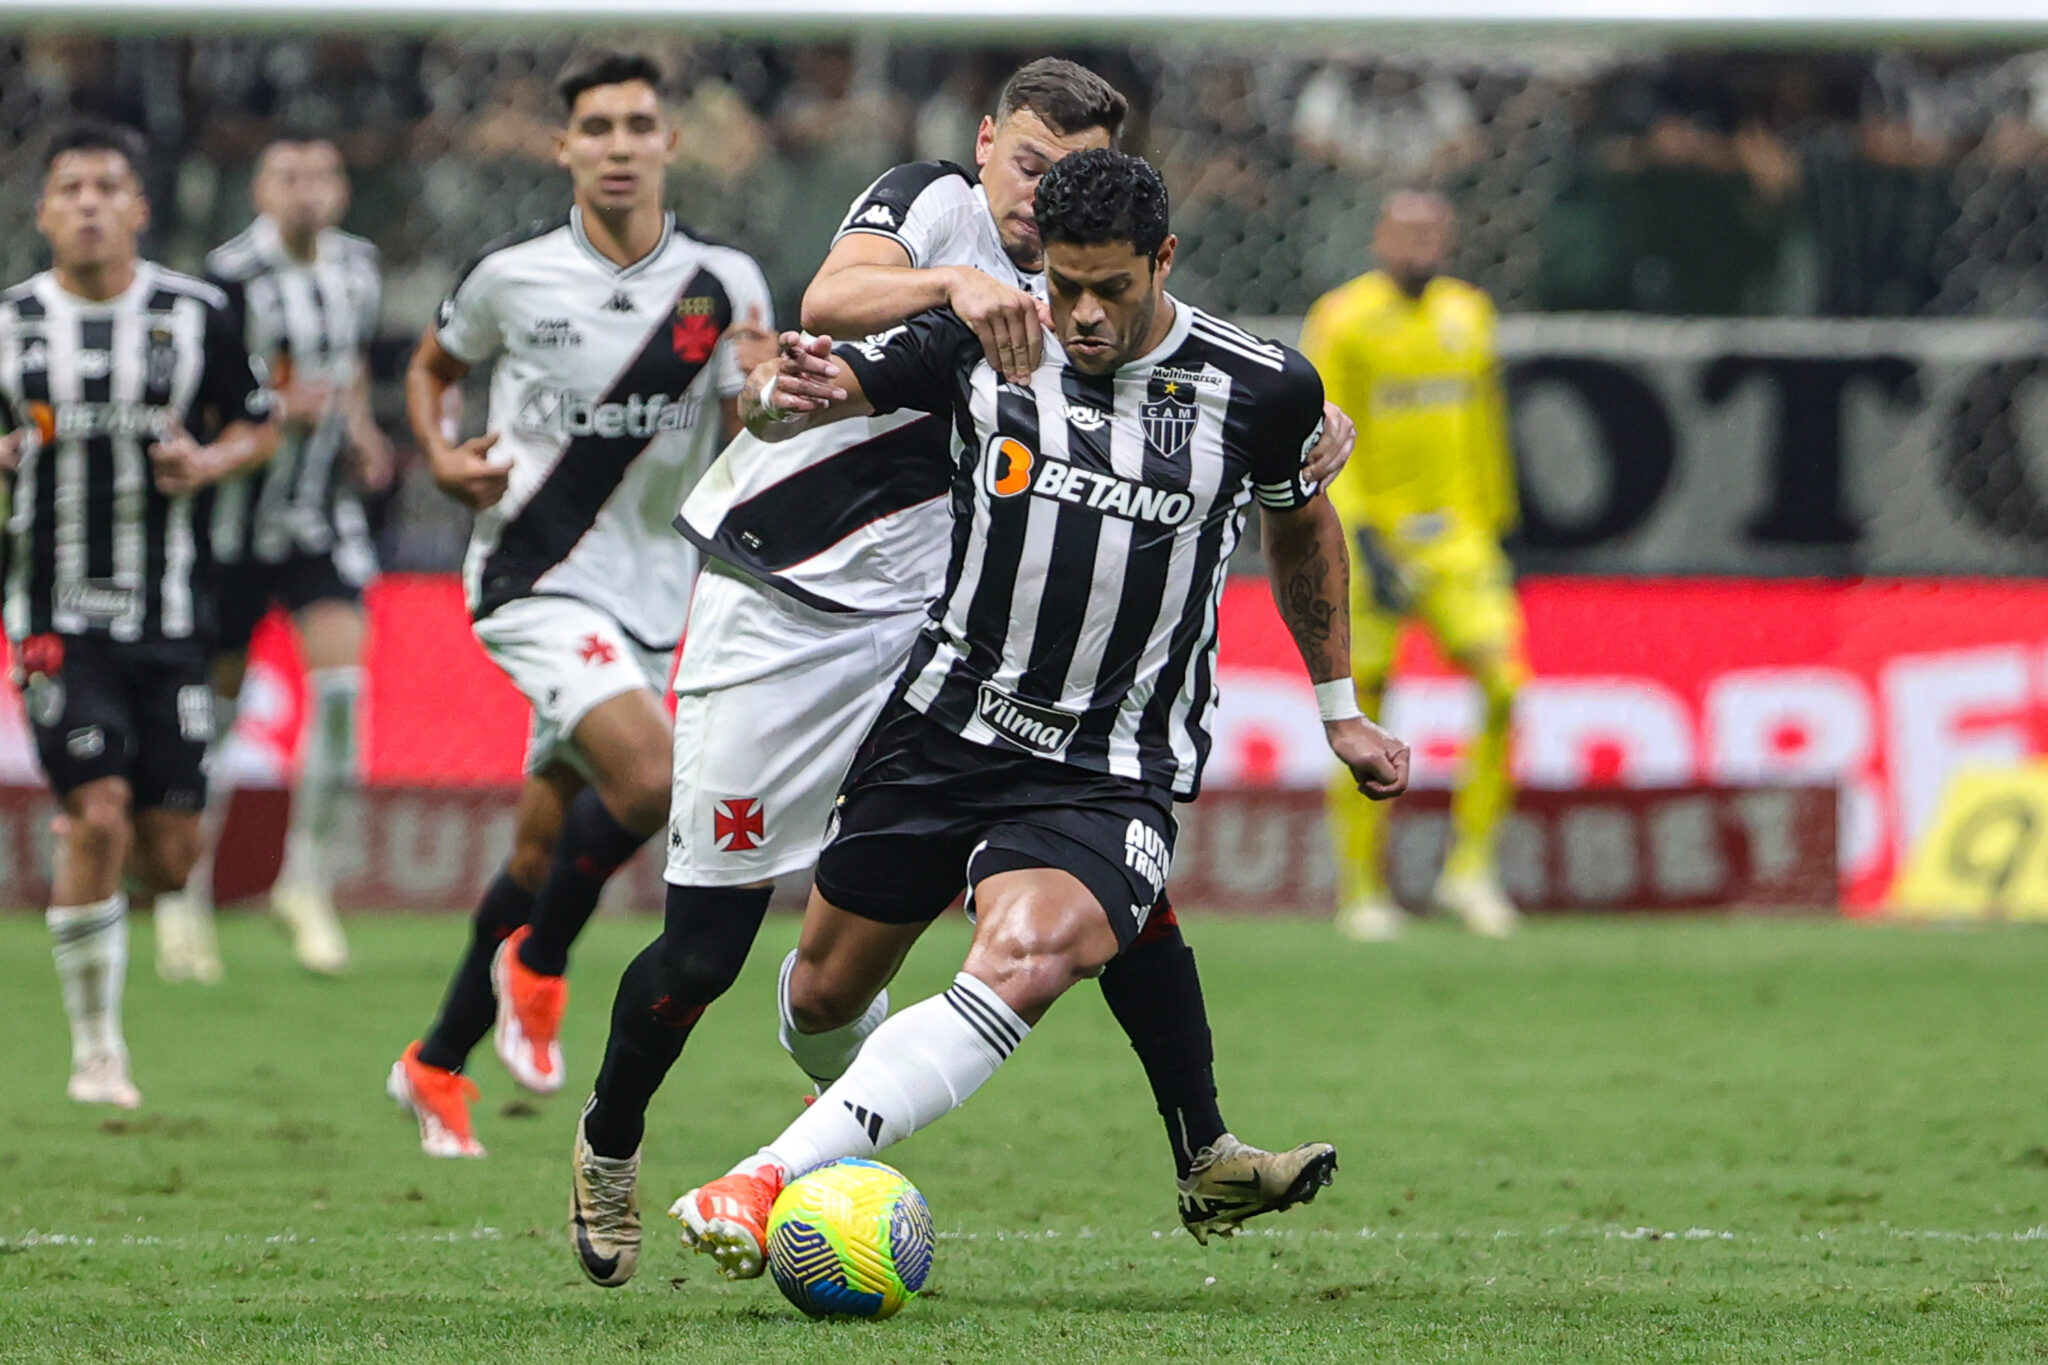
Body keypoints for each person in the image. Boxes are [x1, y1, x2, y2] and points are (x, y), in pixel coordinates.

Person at [567, 59, 1359, 1289]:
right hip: (790, 617)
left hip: (958, 640)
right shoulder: (941, 232)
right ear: (986, 147)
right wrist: (793, 380)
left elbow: (1289, 490)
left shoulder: (1223, 376)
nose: (1040, 212)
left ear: (1157, 253)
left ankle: (1164, 1146)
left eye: (1069, 186)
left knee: (1085, 903)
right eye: (1028, 172)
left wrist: (1299, 460)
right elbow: (828, 325)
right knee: (732, 961)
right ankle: (612, 1142)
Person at [384, 50, 772, 1157]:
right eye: (593, 127)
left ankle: (436, 1060)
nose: (615, 145)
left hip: (654, 597)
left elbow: (749, 428)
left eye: (635, 125)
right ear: (562, 148)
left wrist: (776, 410)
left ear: (668, 144)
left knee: (537, 852)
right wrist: (442, 458)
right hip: (532, 581)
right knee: (650, 778)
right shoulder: (511, 277)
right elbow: (429, 368)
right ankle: (539, 965)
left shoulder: (722, 285)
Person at [0, 121, 277, 1108]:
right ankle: (95, 1052)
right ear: (42, 213)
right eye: (68, 187)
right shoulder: (10, 324)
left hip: (168, 620)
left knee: (169, 853)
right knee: (100, 814)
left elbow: (259, 416)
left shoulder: (196, 313)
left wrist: (209, 461)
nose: (86, 203)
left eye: (106, 186)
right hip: (50, 615)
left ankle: (91, 854)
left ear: (138, 209)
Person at [152, 136, 392, 984]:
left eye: (322, 177)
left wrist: (360, 431)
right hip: (232, 529)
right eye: (289, 178)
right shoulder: (225, 281)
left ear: (341, 186)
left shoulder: (359, 267)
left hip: (318, 519)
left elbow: (350, 365)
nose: (307, 194)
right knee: (212, 721)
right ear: (260, 188)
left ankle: (306, 883)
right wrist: (273, 412)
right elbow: (197, 396)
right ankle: (185, 896)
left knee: (340, 693)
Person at [1300, 190, 1525, 942]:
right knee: (1367, 711)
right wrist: (1357, 536)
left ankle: (1471, 872)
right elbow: (1323, 428)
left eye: (1434, 230)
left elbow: (1484, 424)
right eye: (1408, 230)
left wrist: (1498, 520)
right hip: (1379, 543)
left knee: (1505, 685)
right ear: (1379, 235)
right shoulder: (1343, 319)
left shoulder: (1471, 314)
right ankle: (1363, 890)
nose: (1422, 243)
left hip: (1462, 543)